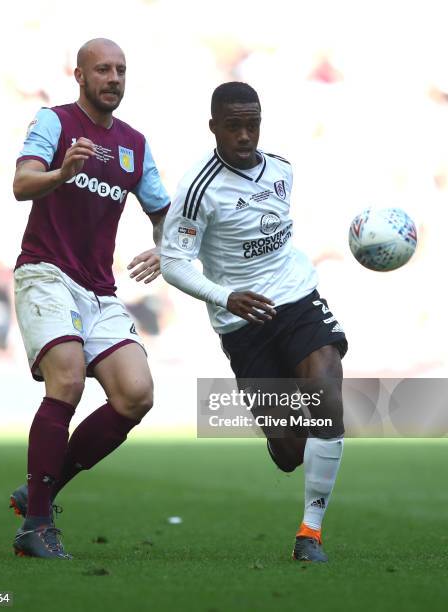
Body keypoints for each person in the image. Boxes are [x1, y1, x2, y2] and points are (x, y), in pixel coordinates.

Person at [161, 82, 347, 563]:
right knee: (289, 452)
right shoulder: (198, 187)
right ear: (214, 127)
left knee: (327, 393)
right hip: (242, 321)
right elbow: (173, 263)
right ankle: (290, 448)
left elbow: (269, 231)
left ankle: (311, 532)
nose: (245, 135)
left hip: (296, 298)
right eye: (234, 126)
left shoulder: (282, 168)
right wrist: (227, 296)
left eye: (253, 124)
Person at [10, 38, 170, 559]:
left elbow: (163, 213)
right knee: (70, 378)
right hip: (45, 272)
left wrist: (167, 247)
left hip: (98, 288)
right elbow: (21, 183)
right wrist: (60, 175)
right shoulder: (54, 122)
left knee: (135, 394)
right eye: (102, 69)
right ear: (79, 75)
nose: (114, 78)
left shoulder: (135, 145)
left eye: (121, 70)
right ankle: (36, 526)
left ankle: (43, 487)